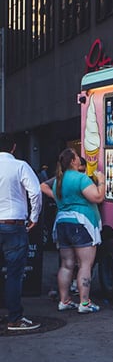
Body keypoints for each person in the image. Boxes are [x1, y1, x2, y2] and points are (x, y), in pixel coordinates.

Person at [48, 148, 105, 313]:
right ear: (73, 161)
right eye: (77, 157)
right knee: (85, 264)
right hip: (81, 222)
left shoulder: (59, 179)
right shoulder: (80, 178)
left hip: (61, 222)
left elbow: (45, 188)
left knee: (67, 265)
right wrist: (101, 180)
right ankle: (84, 303)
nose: (80, 159)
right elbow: (97, 197)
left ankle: (64, 301)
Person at [0, 132, 43, 331]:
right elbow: (35, 192)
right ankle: (14, 318)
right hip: (13, 224)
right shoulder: (20, 166)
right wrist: (34, 217)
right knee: (14, 274)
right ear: (14, 147)